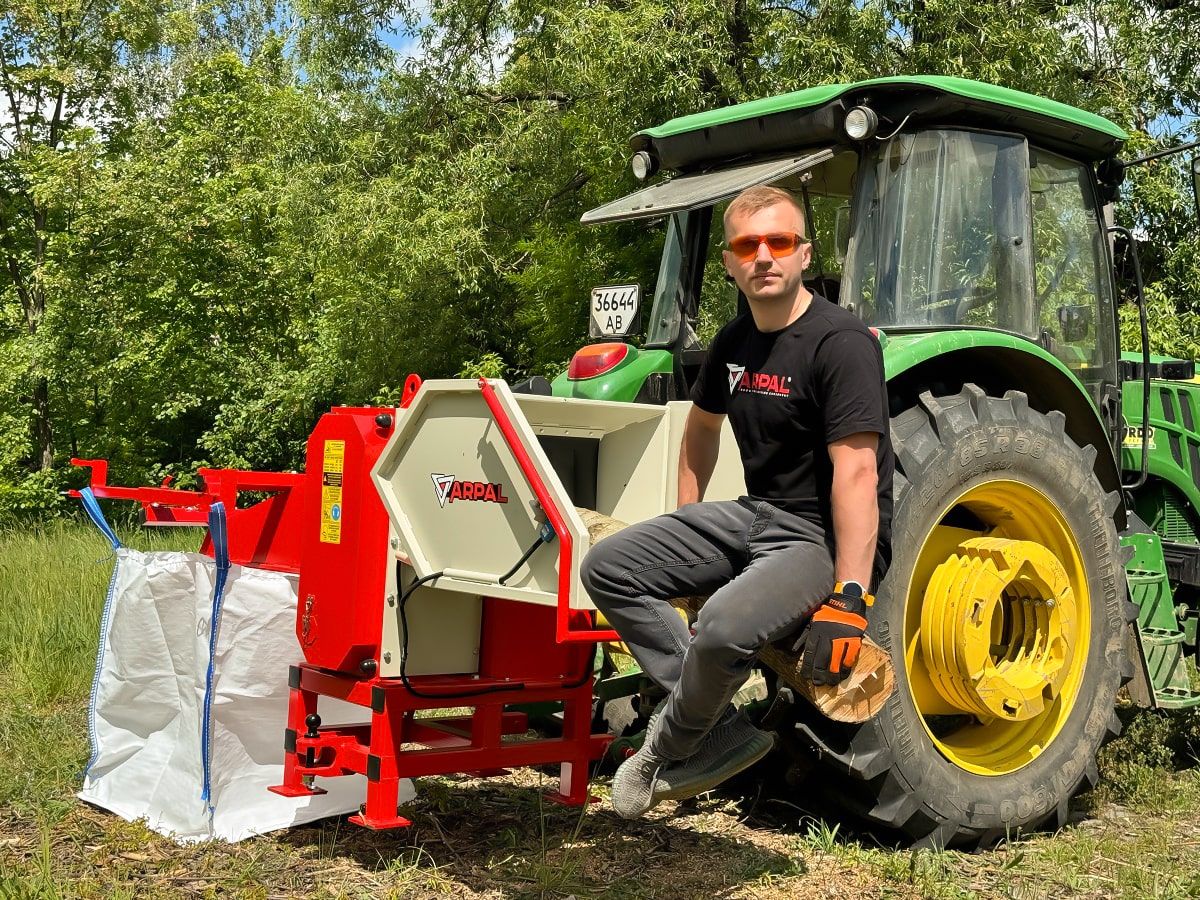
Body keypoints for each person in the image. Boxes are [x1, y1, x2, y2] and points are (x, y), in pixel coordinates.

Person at [581, 184, 894, 819]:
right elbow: (699, 430)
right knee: (606, 566)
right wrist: (684, 516)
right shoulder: (734, 341)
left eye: (780, 242)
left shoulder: (842, 343)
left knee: (722, 626)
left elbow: (859, 474)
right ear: (729, 262)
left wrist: (851, 597)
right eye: (748, 245)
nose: (764, 257)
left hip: (817, 538)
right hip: (754, 514)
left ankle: (667, 749)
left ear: (804, 253)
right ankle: (716, 725)